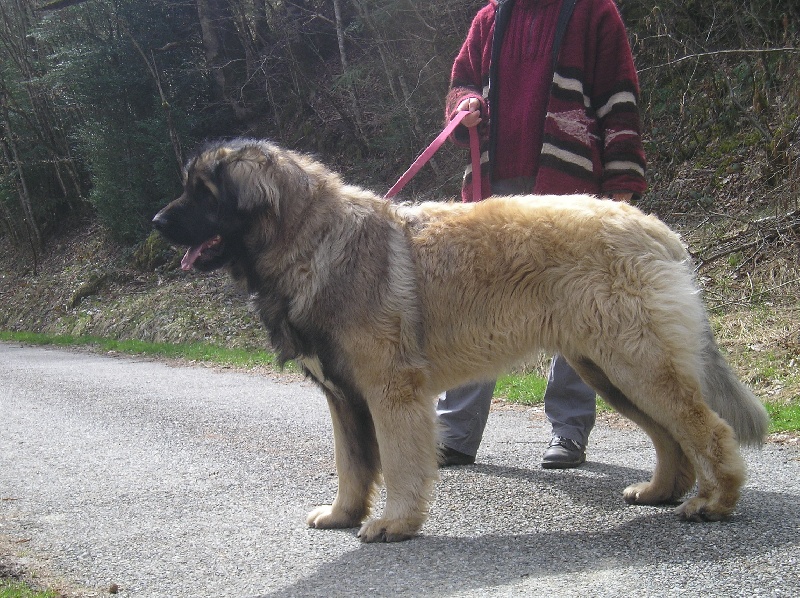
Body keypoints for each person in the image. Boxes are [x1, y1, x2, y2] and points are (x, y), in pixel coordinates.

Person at [437, 0, 647, 468]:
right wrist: (465, 105)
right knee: (474, 307)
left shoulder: (595, 12)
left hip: (569, 195)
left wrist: (621, 190)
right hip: (493, 195)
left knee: (574, 311)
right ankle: (454, 430)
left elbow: (620, 102)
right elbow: (461, 84)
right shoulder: (490, 17)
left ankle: (569, 432)